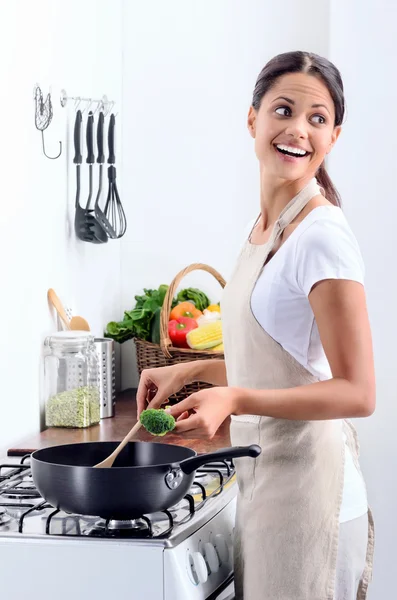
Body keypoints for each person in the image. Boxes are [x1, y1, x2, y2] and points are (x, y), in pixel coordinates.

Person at [137, 51, 375, 600]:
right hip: (269, 485)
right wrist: (196, 369)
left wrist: (235, 397)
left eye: (317, 118)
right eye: (284, 109)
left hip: (313, 498)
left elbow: (359, 392)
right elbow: (290, 360)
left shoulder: (323, 237)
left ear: (333, 137)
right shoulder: (265, 228)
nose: (298, 129)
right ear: (253, 119)